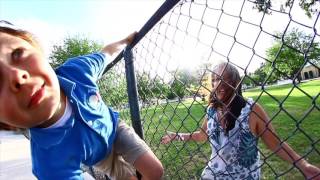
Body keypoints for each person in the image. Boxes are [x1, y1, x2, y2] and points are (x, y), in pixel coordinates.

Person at [0, 21, 163, 180]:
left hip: (116, 130)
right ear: (4, 123)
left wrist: (125, 41)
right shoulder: (49, 165)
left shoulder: (78, 71)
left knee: (155, 171)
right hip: (100, 158)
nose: (16, 76)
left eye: (17, 54)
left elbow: (106, 54)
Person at [161, 62, 320, 179]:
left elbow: (275, 143)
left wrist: (304, 165)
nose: (219, 83)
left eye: (225, 79)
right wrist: (177, 135)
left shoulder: (251, 110)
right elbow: (202, 135)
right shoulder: (212, 110)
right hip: (213, 175)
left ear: (236, 83)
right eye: (215, 79)